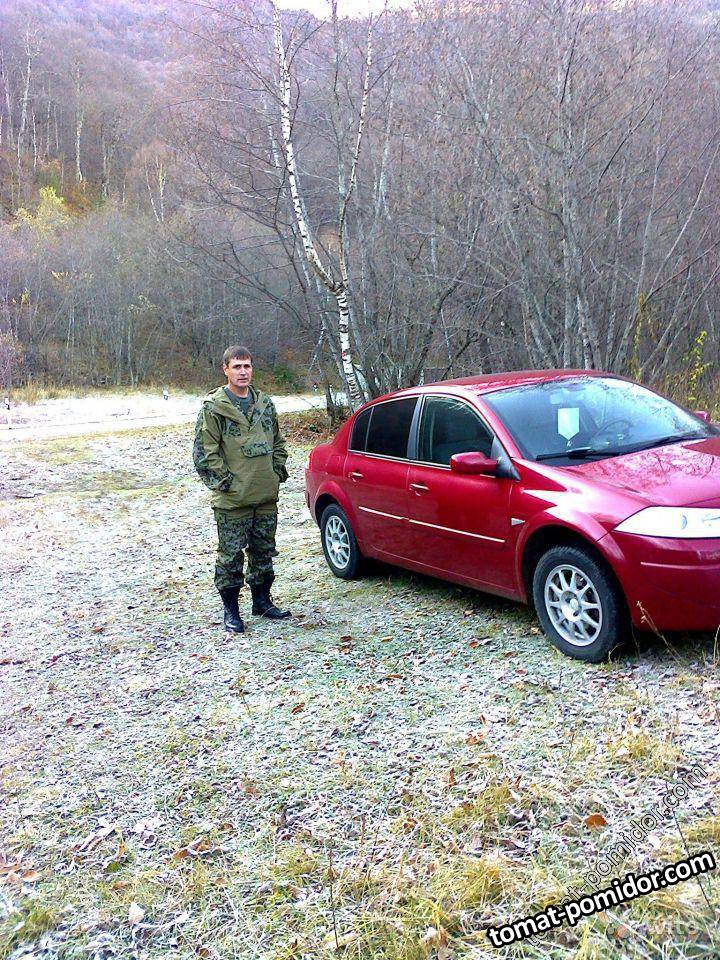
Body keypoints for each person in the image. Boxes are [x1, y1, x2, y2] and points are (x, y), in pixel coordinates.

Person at [193, 345, 291, 633]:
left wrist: (275, 472)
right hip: (233, 500)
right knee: (231, 556)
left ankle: (262, 602)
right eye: (237, 367)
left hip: (264, 495)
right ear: (225, 369)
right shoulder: (214, 408)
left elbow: (278, 442)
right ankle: (231, 611)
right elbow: (205, 453)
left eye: (247, 366)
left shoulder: (264, 404)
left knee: (264, 551)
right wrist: (226, 483)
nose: (243, 372)